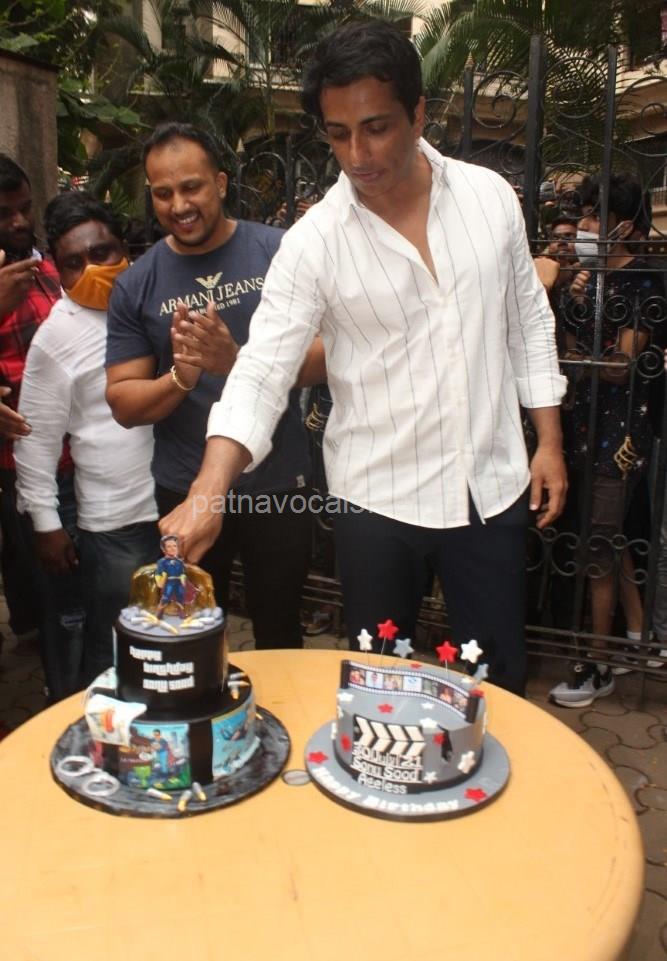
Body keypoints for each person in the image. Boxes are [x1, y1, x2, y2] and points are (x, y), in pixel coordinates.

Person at [160, 20, 568, 697]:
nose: (357, 154)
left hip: (489, 492)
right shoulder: (315, 241)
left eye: (376, 128)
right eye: (338, 134)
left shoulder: (489, 197)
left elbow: (525, 318)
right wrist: (208, 491)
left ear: (417, 114)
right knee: (381, 688)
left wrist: (548, 439)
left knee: (496, 684)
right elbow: (261, 370)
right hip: (376, 506)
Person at [106, 123, 324, 649]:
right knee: (194, 634)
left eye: (191, 187)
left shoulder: (278, 251)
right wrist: (181, 377)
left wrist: (237, 361)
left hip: (278, 485)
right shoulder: (137, 283)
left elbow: (333, 354)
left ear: (221, 183)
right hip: (186, 490)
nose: (179, 205)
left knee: (280, 629)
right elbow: (124, 401)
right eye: (163, 193)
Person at [15, 191, 158, 688]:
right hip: (116, 524)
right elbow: (34, 439)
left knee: (175, 642)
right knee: (115, 653)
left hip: (178, 506)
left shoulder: (153, 302)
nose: (92, 270)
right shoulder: (56, 338)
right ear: (58, 270)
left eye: (102, 253)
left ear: (124, 248)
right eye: (74, 263)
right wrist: (46, 524)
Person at [550, 173, 666, 707]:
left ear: (624, 226)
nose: (585, 226)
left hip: (621, 434)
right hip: (583, 425)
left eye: (595, 216)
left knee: (599, 544)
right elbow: (575, 345)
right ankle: (639, 636)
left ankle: (597, 667)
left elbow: (620, 367)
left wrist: (571, 361)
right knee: (605, 534)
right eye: (584, 214)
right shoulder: (589, 280)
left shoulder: (642, 282)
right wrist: (571, 301)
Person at [0, 154, 62, 643]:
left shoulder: (49, 268)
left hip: (60, 449)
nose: (20, 221)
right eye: (4, 214)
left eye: (24, 208)